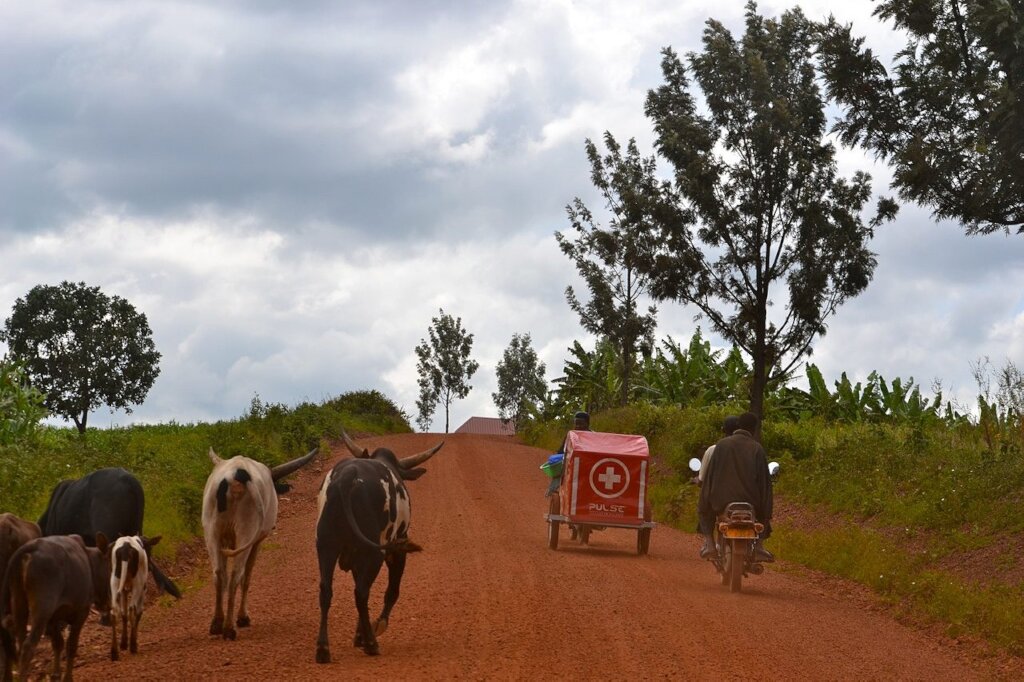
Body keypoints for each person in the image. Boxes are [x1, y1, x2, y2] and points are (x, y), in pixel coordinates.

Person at [698, 411, 774, 563]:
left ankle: (710, 544)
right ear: (754, 429)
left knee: (704, 510)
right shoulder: (757, 449)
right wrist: (766, 508)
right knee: (764, 512)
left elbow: (710, 477)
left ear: (738, 426)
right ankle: (759, 546)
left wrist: (706, 498)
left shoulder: (721, 445)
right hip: (751, 503)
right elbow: (764, 483)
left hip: (721, 502)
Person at [545, 411, 590, 498]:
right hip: (572, 465)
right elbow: (561, 452)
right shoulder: (570, 436)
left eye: (581, 424)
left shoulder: (593, 436)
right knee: (561, 467)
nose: (578, 427)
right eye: (576, 424)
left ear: (587, 424)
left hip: (586, 466)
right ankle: (553, 490)